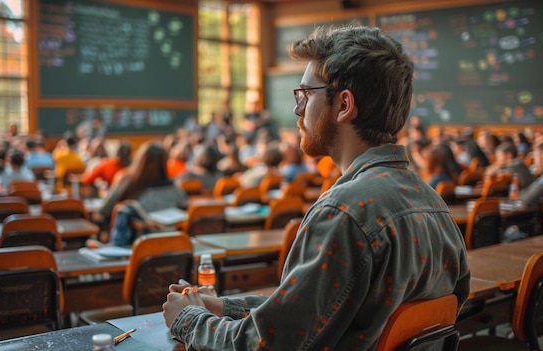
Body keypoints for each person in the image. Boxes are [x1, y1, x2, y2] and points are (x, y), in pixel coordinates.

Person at [162, 26, 470, 350]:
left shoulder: (344, 214)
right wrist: (225, 308)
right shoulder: (433, 204)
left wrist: (189, 319)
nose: (297, 111)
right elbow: (317, 311)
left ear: (343, 105)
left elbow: (267, 346)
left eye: (305, 95)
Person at [96, 141, 187, 246]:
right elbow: (184, 207)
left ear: (140, 160)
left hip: (134, 247)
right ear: (164, 163)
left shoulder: (128, 182)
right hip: (172, 245)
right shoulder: (174, 189)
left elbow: (104, 209)